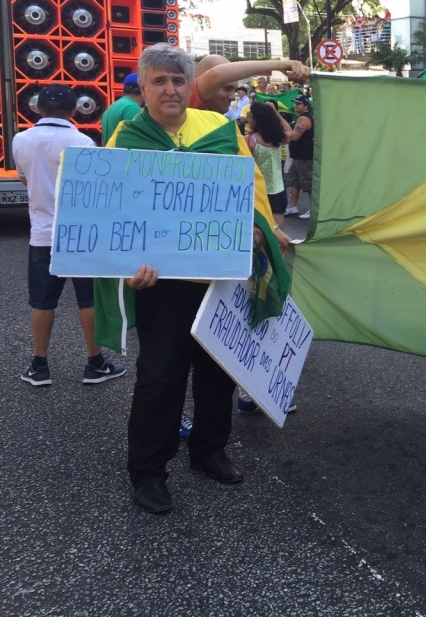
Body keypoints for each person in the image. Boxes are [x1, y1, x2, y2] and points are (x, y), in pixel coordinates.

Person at [102, 44, 293, 514]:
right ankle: (147, 471)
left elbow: (249, 192)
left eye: (177, 81)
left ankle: (209, 448)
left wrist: (256, 228)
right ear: (143, 89)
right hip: (161, 284)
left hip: (218, 276)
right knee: (160, 377)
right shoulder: (126, 139)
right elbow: (111, 216)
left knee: (218, 371)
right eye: (159, 81)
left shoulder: (218, 129)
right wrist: (129, 268)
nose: (170, 89)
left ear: (190, 87)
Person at [13, 85, 126, 387]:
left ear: (38, 109)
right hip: (79, 236)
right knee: (87, 301)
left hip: (41, 233)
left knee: (42, 303)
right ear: (74, 110)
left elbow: (24, 178)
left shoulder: (20, 140)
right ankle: (94, 363)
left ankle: (39, 366)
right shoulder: (83, 142)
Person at [245, 100, 293, 229]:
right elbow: (290, 131)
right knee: (278, 228)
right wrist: (274, 112)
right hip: (278, 188)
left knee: (258, 228)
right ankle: (279, 249)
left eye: (250, 116)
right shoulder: (277, 137)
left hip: (258, 190)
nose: (248, 119)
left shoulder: (250, 140)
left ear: (257, 120)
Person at [285, 94, 314, 219]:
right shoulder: (300, 117)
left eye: (298, 104)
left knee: (309, 184)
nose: (295, 105)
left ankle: (314, 210)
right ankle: (292, 207)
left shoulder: (303, 119)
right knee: (294, 182)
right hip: (298, 156)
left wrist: (285, 131)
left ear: (306, 105)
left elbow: (295, 136)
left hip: (305, 157)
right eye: (295, 103)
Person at [101, 73, 144, 145]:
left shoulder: (112, 107)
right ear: (143, 90)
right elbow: (135, 141)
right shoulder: (132, 108)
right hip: (123, 155)